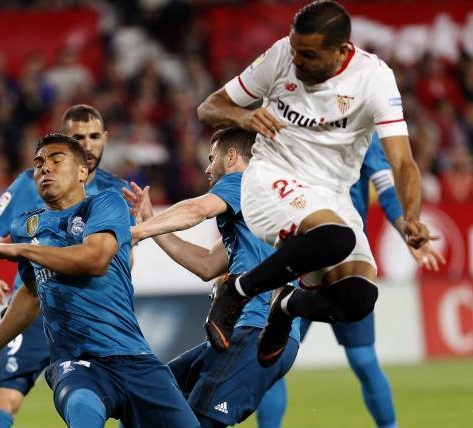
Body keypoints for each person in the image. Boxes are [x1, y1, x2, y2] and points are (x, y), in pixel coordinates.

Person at [196, 0, 430, 366]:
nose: (297, 61)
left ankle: (286, 305)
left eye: (307, 54)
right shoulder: (280, 56)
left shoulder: (374, 79)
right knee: (337, 238)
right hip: (272, 176)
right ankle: (236, 291)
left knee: (357, 298)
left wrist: (411, 216)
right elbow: (209, 107)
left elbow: (402, 161)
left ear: (341, 51)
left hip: (332, 195)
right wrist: (244, 116)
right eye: (294, 50)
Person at [0, 133, 199, 428]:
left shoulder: (105, 204)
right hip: (77, 366)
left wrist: (23, 250)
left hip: (134, 358)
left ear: (82, 172)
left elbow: (95, 260)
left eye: (56, 159)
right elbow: (30, 295)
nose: (45, 168)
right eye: (39, 163)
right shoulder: (26, 225)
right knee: (82, 410)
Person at [255, 134, 445, 428]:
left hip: (347, 260)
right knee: (274, 362)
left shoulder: (363, 128)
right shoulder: (290, 121)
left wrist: (406, 228)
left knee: (363, 360)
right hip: (299, 256)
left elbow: (385, 187)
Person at [0, 104, 129, 428]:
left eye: (94, 136)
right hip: (32, 308)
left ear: (105, 138)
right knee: (4, 399)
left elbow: (122, 256)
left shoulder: (116, 191)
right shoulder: (30, 182)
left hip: (91, 314)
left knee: (127, 399)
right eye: (78, 137)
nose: (88, 144)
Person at [125, 127, 299, 428]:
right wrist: (152, 224)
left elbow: (197, 209)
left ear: (231, 156)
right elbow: (207, 264)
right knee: (148, 402)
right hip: (254, 333)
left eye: (211, 157)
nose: (206, 168)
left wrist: (137, 232)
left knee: (196, 419)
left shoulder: (242, 181)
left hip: (254, 330)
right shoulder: (258, 203)